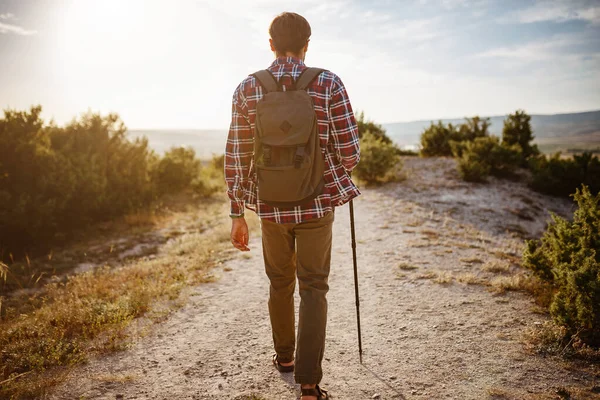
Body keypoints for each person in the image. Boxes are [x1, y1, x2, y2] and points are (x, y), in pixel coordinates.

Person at [224, 11, 360, 400]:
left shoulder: (248, 88)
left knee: (279, 283)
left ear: (270, 44)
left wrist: (237, 212)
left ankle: (284, 358)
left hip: (269, 206)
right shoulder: (329, 83)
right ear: (307, 44)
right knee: (313, 287)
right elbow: (350, 153)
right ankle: (308, 383)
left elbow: (237, 155)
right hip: (317, 202)